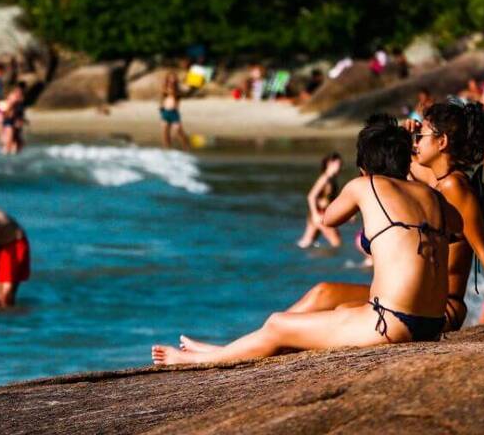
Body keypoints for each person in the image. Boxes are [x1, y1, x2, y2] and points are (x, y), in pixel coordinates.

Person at [152, 115, 455, 365]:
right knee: (325, 294)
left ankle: (204, 360)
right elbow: (456, 225)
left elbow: (329, 217)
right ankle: (230, 348)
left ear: (364, 166)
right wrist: (409, 162)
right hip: (431, 323)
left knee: (278, 324)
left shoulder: (364, 185)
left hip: (390, 324)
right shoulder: (433, 197)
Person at [286, 101, 484, 331]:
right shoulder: (441, 180)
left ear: (441, 142)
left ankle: (272, 340)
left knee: (340, 310)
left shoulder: (456, 187)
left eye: (422, 135)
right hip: (412, 301)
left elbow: (483, 250)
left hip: (443, 309)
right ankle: (266, 342)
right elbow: (394, 168)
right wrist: (404, 138)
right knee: (323, 294)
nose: (417, 141)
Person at [297, 153, 343, 249]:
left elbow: (332, 199)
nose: (340, 167)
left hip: (319, 215)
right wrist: (315, 215)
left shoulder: (332, 179)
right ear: (330, 163)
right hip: (320, 215)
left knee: (306, 243)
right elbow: (311, 196)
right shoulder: (324, 178)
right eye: (338, 164)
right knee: (337, 243)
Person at [160, 71, 189, 150]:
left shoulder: (177, 89)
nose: (172, 79)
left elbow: (178, 94)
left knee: (178, 132)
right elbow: (163, 95)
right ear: (168, 79)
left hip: (174, 112)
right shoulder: (164, 87)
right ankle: (167, 149)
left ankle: (186, 147)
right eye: (170, 77)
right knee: (165, 133)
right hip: (165, 111)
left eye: (173, 78)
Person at [1, 82, 27, 154]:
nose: (20, 92)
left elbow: (20, 110)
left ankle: (12, 151)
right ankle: (6, 151)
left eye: (21, 90)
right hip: (10, 119)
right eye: (19, 90)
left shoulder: (21, 97)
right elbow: (8, 108)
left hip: (16, 119)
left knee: (17, 137)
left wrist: (22, 119)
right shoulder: (13, 96)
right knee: (10, 137)